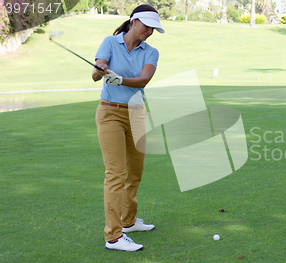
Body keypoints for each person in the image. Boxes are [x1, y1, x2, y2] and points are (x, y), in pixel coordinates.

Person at [92, 4, 164, 252]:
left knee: (134, 173)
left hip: (136, 115)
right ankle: (113, 237)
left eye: (154, 29)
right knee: (115, 174)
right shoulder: (110, 43)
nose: (150, 32)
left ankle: (128, 222)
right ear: (134, 22)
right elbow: (95, 72)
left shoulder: (151, 52)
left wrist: (120, 79)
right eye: (147, 26)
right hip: (110, 113)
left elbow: (144, 80)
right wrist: (100, 70)